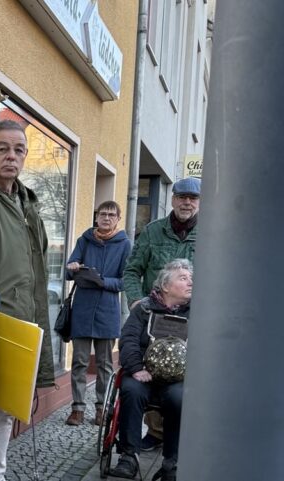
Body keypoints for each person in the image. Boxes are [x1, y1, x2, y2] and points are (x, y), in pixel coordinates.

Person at [0, 120, 54, 481]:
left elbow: (36, 274)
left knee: (2, 417)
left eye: (18, 150)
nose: (11, 156)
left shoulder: (28, 203)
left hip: (22, 329)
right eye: (2, 148)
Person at [122, 176, 199, 450]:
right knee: (151, 360)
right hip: (153, 313)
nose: (186, 202)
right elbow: (132, 271)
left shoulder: (211, 235)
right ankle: (155, 433)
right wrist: (135, 302)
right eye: (182, 197)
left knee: (181, 373)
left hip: (191, 315)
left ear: (199, 202)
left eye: (192, 198)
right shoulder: (153, 231)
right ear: (173, 199)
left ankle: (175, 441)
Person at [109, 259, 192, 481]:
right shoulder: (144, 309)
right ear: (165, 286)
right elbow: (128, 341)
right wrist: (136, 368)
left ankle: (171, 462)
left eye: (191, 278)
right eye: (183, 278)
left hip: (178, 378)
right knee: (132, 391)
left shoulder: (197, 312)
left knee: (179, 397)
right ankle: (129, 456)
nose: (190, 283)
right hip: (143, 372)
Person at [64, 201, 131, 427]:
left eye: (112, 215)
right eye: (103, 214)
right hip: (83, 308)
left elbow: (126, 280)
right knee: (79, 361)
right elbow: (69, 267)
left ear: (118, 219)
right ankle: (77, 409)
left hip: (107, 309)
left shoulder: (124, 245)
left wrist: (104, 282)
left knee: (104, 365)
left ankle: (103, 409)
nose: (106, 218)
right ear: (96, 217)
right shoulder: (84, 240)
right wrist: (72, 267)